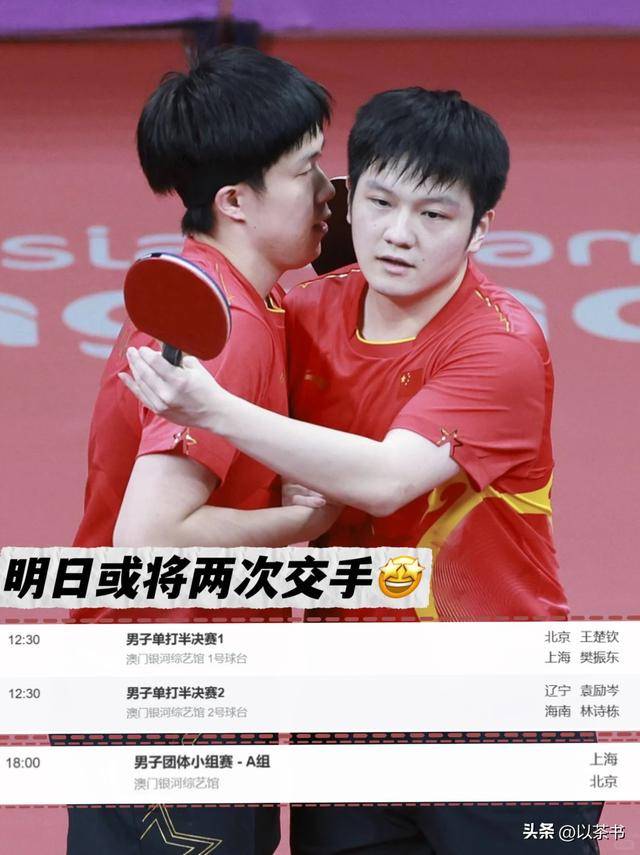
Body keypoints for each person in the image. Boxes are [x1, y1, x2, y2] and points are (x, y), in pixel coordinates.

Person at [122, 87, 601, 853]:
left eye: (434, 214)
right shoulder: (306, 315)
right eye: (380, 202)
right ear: (348, 201)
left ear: (481, 229)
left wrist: (211, 409)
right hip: (349, 715)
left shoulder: (500, 344)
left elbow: (386, 480)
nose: (398, 233)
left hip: (498, 711)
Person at [69, 46, 337, 855]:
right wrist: (300, 525)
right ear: (235, 201)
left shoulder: (233, 291)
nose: (330, 191)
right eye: (307, 171)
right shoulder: (223, 328)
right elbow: (149, 537)